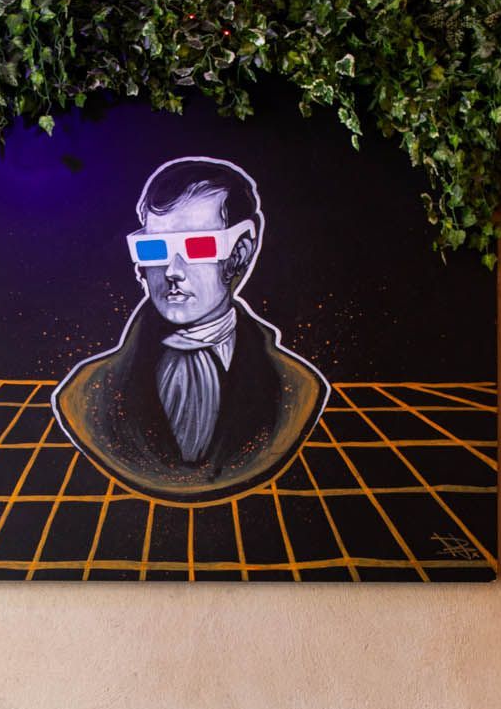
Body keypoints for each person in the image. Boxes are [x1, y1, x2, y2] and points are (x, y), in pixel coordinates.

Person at [52, 156, 329, 505]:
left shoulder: (297, 387)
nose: (172, 271)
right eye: (154, 249)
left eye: (199, 246)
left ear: (241, 252)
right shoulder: (87, 393)